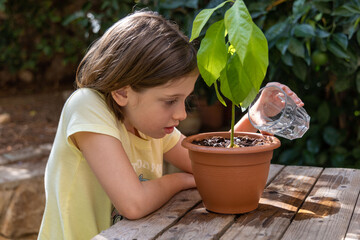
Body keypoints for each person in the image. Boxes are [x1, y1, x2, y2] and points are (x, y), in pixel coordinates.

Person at [37, 10, 304, 239]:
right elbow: (134, 203)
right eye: (169, 101)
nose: (181, 115)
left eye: (184, 100)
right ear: (122, 92)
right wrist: (180, 180)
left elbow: (213, 163)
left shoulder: (147, 124)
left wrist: (256, 116)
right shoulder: (87, 106)